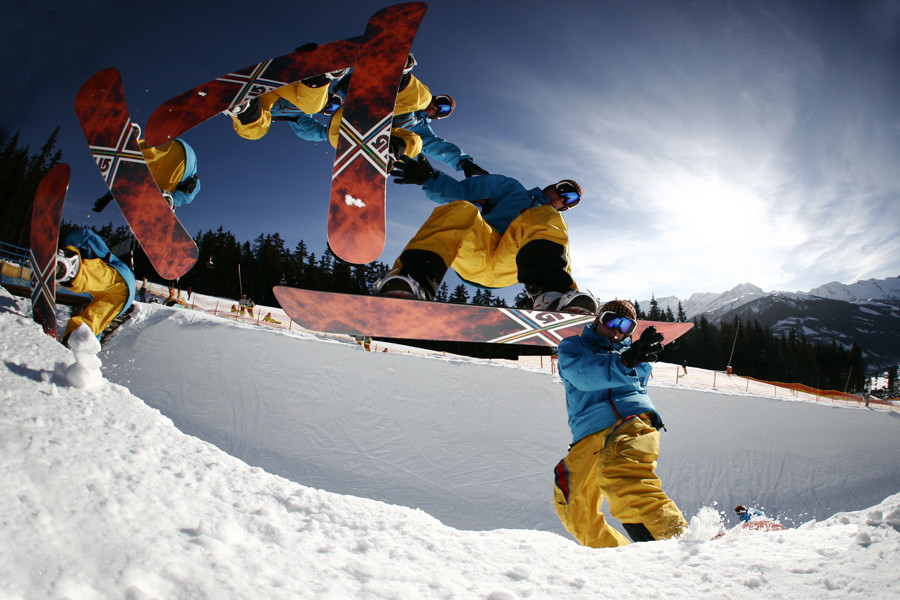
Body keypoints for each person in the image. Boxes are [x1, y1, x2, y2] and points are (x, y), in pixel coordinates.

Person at [374, 155, 596, 314]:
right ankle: (414, 281)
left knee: (546, 216)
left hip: (510, 264)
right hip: (477, 251)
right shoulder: (510, 188)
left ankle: (553, 295)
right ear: (553, 185)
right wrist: (430, 179)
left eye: (570, 201)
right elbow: (463, 192)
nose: (563, 199)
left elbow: (560, 256)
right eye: (564, 190)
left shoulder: (549, 218)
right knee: (462, 208)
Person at [552, 300, 687, 547]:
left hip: (631, 421)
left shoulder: (636, 358)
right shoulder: (574, 347)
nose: (617, 330)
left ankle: (679, 542)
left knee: (621, 473)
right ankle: (616, 557)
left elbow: (632, 384)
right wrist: (625, 361)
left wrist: (633, 359)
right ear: (598, 319)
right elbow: (584, 375)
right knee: (572, 502)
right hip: (588, 432)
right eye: (612, 320)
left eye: (626, 326)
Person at [55, 228, 136, 346]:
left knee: (96, 275)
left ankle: (70, 269)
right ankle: (76, 338)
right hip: (123, 301)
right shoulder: (95, 261)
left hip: (121, 277)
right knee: (94, 320)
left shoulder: (103, 255)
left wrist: (67, 244)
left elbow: (87, 235)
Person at [93, 137, 201, 212]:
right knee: (142, 189)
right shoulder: (177, 197)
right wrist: (191, 188)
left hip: (175, 147)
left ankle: (132, 144)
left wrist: (107, 196)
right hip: (179, 170)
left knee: (139, 161)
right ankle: (165, 205)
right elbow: (192, 191)